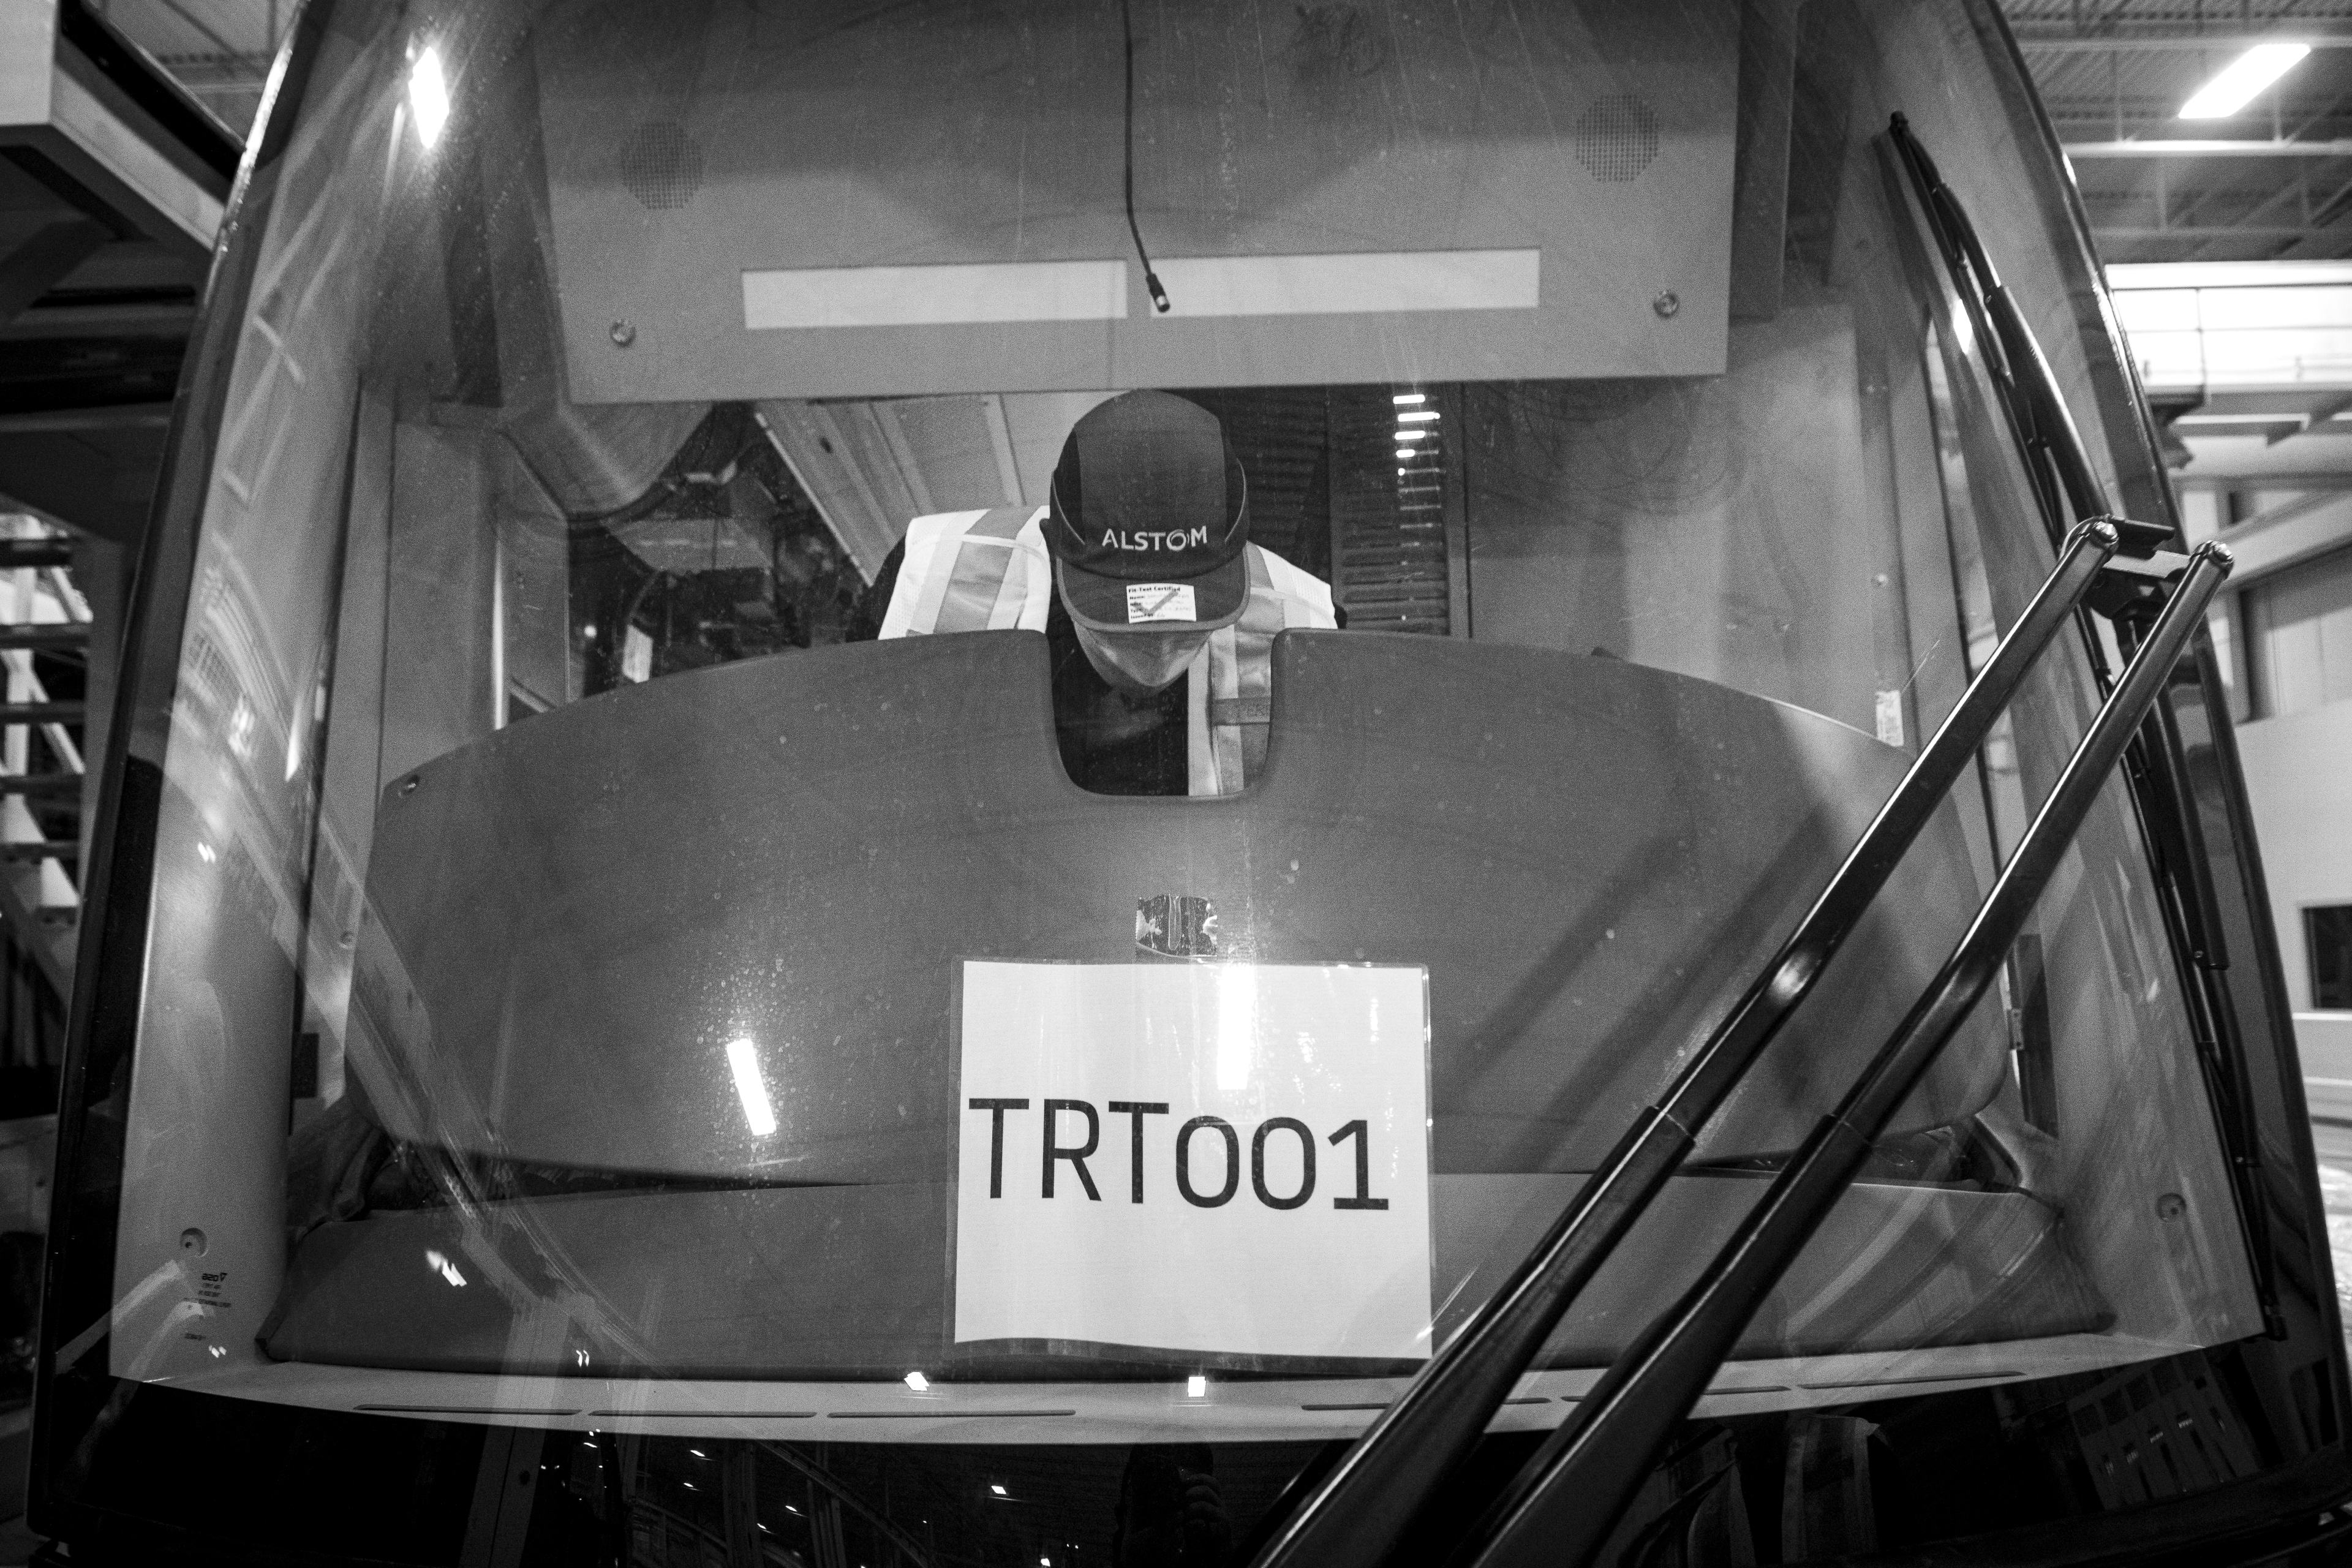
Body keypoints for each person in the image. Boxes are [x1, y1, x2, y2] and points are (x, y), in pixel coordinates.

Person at [850, 391, 1336, 796]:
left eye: (1190, 635)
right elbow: (852, 769)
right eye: (1123, 637)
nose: (1162, 658)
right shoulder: (931, 579)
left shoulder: (1306, 632)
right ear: (1055, 551)